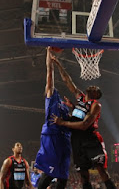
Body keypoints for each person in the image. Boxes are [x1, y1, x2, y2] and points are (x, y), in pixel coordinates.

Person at [50, 56, 116, 189]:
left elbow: (84, 125)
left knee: (101, 169)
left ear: (96, 95)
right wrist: (58, 63)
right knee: (83, 175)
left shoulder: (95, 105)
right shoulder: (80, 98)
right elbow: (67, 81)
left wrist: (62, 122)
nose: (93, 86)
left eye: (96, 88)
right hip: (76, 139)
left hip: (89, 137)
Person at [34, 47, 72, 189]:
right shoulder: (51, 97)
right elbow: (49, 72)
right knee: (49, 172)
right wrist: (48, 53)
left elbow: (74, 121)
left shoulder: (64, 105)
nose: (49, 85)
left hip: (65, 139)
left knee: (63, 177)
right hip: (52, 135)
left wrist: (73, 107)